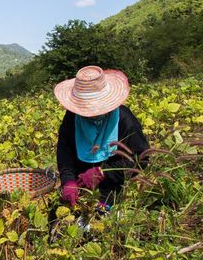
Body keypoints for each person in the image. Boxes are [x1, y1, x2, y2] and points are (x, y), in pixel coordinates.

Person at [54, 66, 149, 210]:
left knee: (97, 217)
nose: (90, 113)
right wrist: (68, 181)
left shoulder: (124, 120)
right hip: (80, 183)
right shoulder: (72, 117)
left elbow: (140, 158)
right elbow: (64, 148)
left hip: (114, 183)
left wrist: (103, 172)